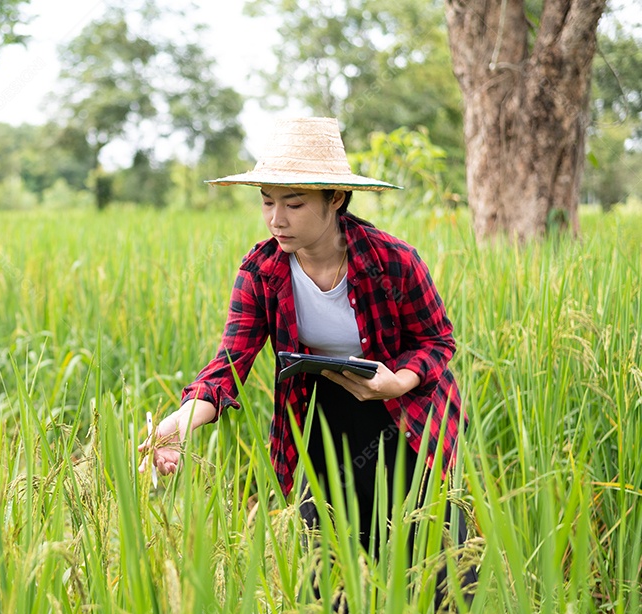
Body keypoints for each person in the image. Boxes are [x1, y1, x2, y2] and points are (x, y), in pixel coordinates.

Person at [139, 116, 466, 565]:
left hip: (406, 417)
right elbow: (229, 365)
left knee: (433, 568)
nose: (277, 219)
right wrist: (180, 421)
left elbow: (437, 341)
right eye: (267, 202)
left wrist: (399, 382)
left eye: (293, 204)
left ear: (335, 197)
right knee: (330, 575)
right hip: (323, 418)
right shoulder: (262, 271)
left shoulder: (393, 260)